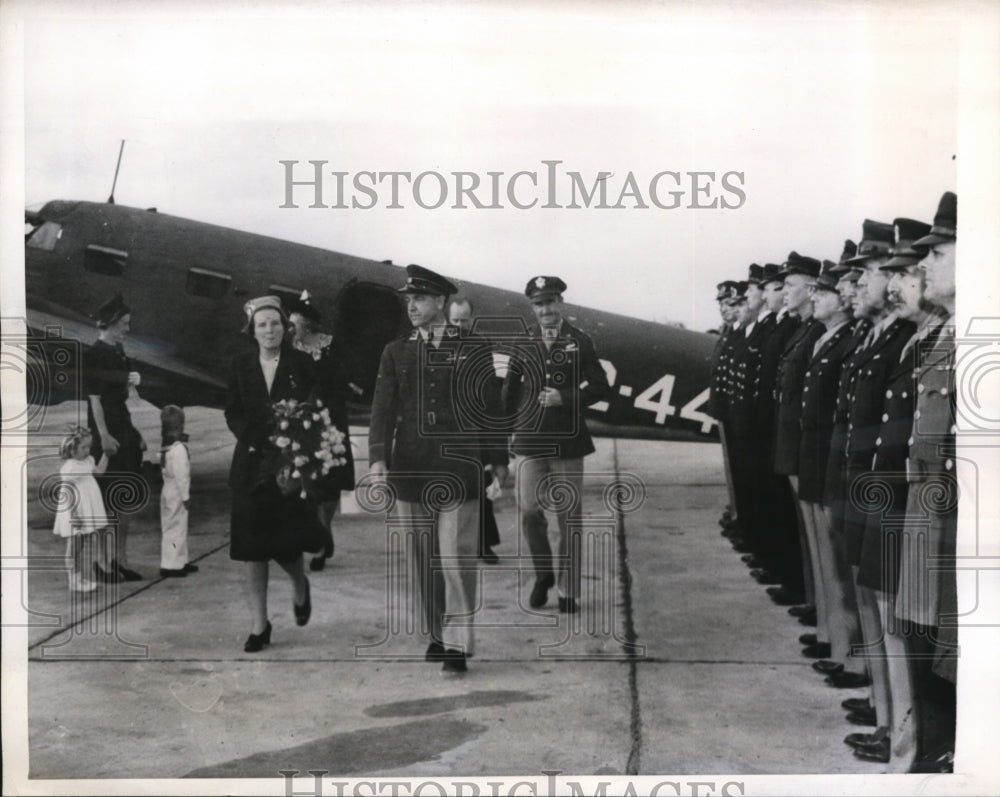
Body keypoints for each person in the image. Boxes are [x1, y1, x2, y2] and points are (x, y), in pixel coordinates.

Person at [369, 265, 509, 673]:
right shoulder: (395, 351)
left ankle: (458, 642)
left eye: (420, 299)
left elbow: (491, 408)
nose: (411, 305)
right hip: (411, 468)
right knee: (421, 558)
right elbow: (382, 408)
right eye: (408, 299)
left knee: (456, 556)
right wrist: (378, 457)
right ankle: (436, 634)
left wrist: (497, 459)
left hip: (458, 467)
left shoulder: (474, 348)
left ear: (441, 302)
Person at [502, 276, 610, 614]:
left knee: (569, 517)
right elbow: (509, 390)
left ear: (560, 303)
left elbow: (600, 386)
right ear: (532, 307)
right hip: (530, 440)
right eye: (538, 304)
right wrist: (505, 432)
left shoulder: (580, 341)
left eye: (550, 302)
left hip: (567, 442)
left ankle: (568, 590)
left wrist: (565, 397)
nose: (545, 310)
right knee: (529, 510)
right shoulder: (523, 340)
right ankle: (544, 573)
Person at [225, 296, 319, 653]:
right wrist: (251, 440)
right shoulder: (239, 364)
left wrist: (296, 444)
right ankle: (259, 624)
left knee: (286, 544)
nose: (269, 330)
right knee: (252, 549)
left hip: (288, 463)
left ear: (285, 327)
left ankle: (299, 584)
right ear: (252, 330)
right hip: (250, 462)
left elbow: (314, 405)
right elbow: (232, 410)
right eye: (262, 325)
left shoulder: (302, 363)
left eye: (275, 324)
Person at [288, 291, 356, 572]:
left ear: (308, 323)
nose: (291, 327)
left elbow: (342, 378)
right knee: (305, 483)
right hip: (302, 420)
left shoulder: (330, 345)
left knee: (329, 482)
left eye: (295, 322)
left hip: (331, 418)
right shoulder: (289, 350)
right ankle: (315, 538)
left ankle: (323, 533)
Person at [85, 292, 145, 582]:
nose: (128, 329)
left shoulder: (119, 352)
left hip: (122, 428)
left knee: (125, 499)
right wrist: (104, 437)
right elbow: (95, 400)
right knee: (105, 500)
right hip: (106, 432)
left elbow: (122, 401)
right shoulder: (95, 354)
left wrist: (134, 433)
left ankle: (120, 559)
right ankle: (101, 562)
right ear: (109, 324)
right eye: (124, 324)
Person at [448, 297, 501, 564]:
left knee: (480, 488)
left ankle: (484, 545)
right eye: (455, 320)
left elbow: (490, 392)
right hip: (445, 429)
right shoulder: (433, 342)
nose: (459, 325)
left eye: (464, 320)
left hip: (474, 428)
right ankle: (448, 545)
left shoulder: (481, 345)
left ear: (472, 319)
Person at [53, 427, 109, 593]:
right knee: (74, 546)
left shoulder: (88, 461)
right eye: (83, 447)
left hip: (86, 507)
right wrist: (73, 515)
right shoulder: (70, 467)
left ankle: (78, 578)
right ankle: (74, 581)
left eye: (89, 447)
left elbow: (99, 472)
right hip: (76, 510)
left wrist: (106, 455)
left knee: (80, 545)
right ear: (72, 449)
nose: (87, 450)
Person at [158, 405, 197, 578]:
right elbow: (182, 476)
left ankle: (180, 560)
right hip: (177, 494)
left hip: (168, 492)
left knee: (173, 528)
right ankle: (171, 565)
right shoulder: (179, 449)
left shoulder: (166, 448)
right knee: (177, 529)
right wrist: (186, 496)